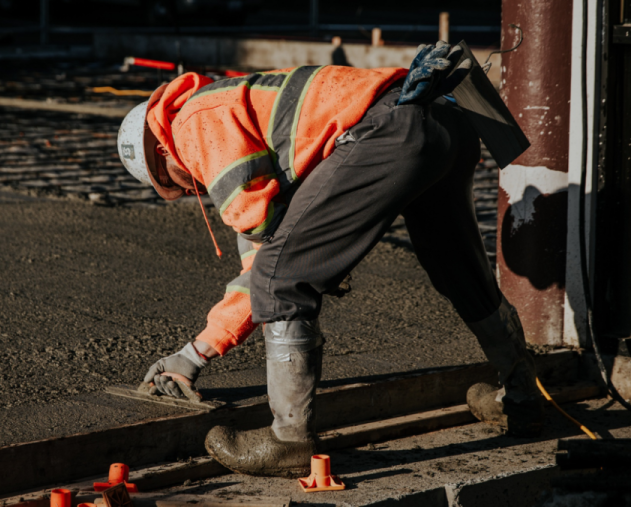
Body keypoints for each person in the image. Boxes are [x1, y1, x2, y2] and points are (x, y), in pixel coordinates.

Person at [116, 42, 544, 478]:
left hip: (390, 128)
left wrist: (193, 355)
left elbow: (267, 265)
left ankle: (289, 440)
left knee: (282, 280)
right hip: (443, 120)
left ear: (161, 153)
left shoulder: (195, 126)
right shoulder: (235, 104)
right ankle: (523, 396)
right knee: (460, 270)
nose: (190, 191)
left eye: (172, 183)